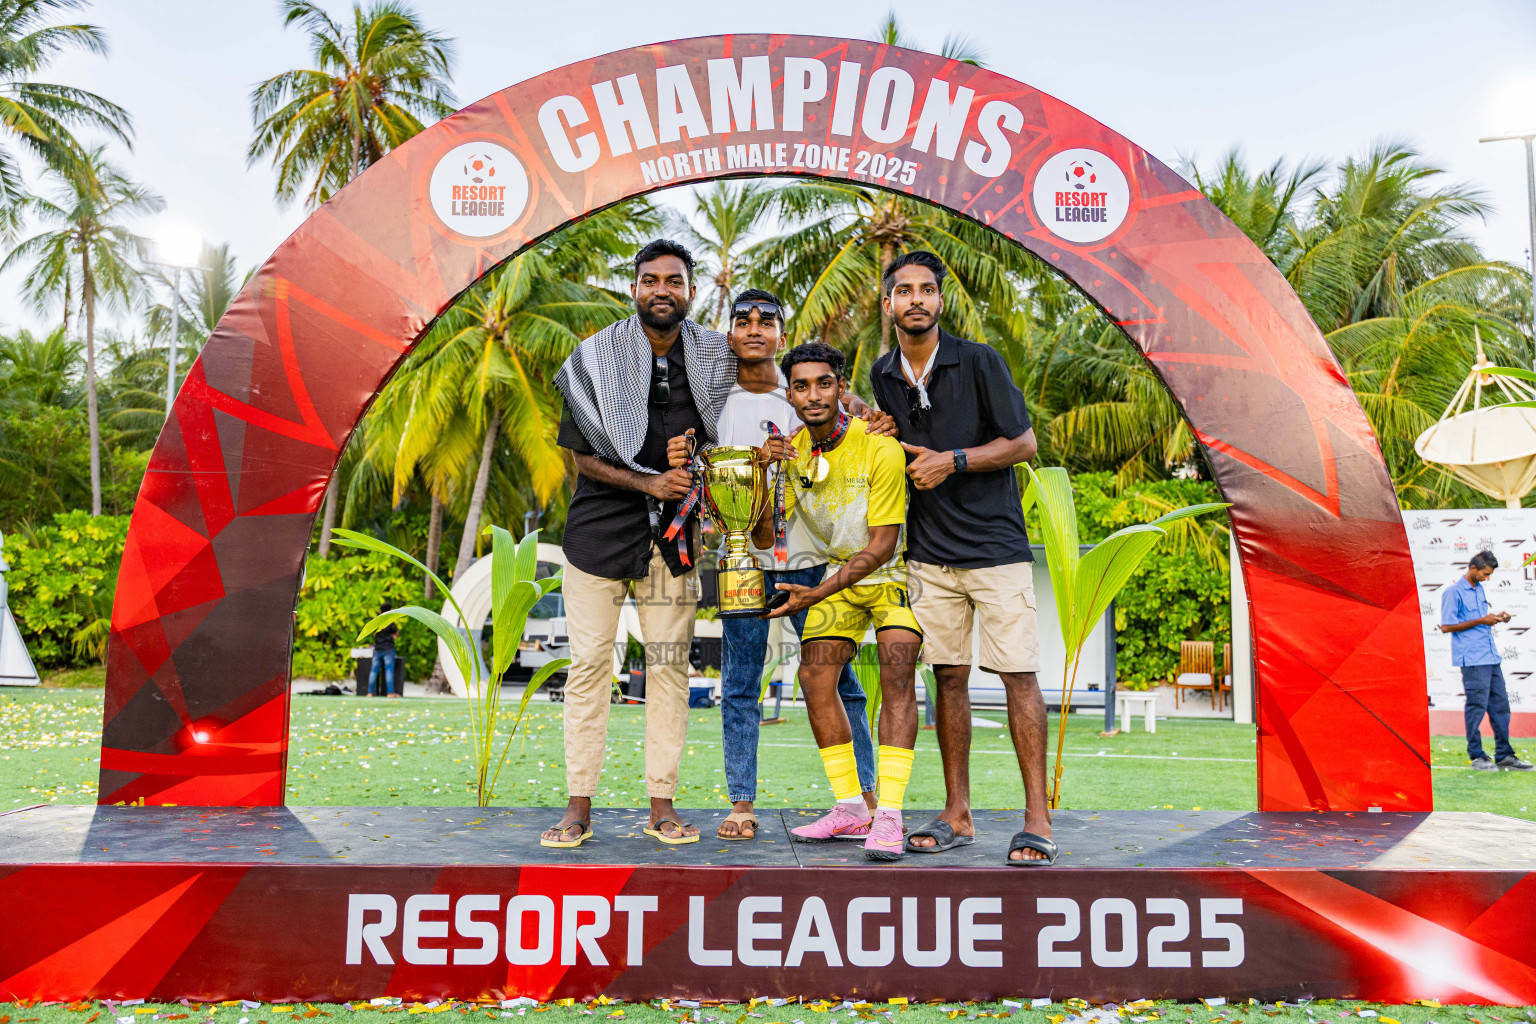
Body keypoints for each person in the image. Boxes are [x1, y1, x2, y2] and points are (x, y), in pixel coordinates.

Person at [666, 289, 881, 842]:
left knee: (843, 681)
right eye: (743, 321)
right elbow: (700, 479)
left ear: (782, 335)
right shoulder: (713, 405)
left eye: (767, 322)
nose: (755, 329)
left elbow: (858, 445)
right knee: (739, 683)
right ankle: (741, 803)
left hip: (814, 565)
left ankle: (866, 798)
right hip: (740, 561)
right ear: (730, 333)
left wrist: (870, 421)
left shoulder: (810, 397)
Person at [547, 238, 736, 849]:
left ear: (691, 290)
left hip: (673, 542)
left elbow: (747, 420)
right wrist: (649, 481)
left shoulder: (712, 359)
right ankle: (579, 807)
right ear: (635, 288)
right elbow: (581, 456)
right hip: (598, 536)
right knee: (589, 669)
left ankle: (662, 805)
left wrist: (695, 467)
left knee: (668, 670)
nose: (662, 290)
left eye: (674, 281)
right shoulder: (596, 357)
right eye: (651, 279)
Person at [867, 250, 1053, 866]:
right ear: (888, 302)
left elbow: (1023, 442)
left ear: (940, 300)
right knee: (949, 678)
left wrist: (956, 460)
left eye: (927, 290)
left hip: (995, 548)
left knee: (1018, 676)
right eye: (904, 290)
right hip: (930, 554)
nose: (915, 299)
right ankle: (958, 813)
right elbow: (898, 446)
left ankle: (1037, 819)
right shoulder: (883, 374)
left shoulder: (978, 360)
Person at [752, 342, 923, 862]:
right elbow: (761, 538)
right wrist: (763, 474)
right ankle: (851, 809)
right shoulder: (795, 453)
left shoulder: (879, 445)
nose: (813, 395)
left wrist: (815, 593)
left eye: (823, 383)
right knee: (814, 676)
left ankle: (888, 814)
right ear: (788, 394)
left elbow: (882, 544)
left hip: (893, 573)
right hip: (838, 578)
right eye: (801, 386)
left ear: (840, 386)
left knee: (896, 666)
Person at [1439, 550, 1533, 771]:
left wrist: (1498, 618)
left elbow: (1481, 622)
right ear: (1473, 569)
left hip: (1490, 656)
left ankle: (1505, 755)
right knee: (1477, 707)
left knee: (1501, 706)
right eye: (1485, 573)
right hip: (1472, 659)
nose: (1487, 578)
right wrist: (1483, 619)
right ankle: (1477, 756)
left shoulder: (1479, 590)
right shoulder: (1453, 592)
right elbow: (1446, 626)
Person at [367, 602, 399, 697]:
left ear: (380, 610)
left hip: (378, 648)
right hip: (388, 649)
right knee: (389, 670)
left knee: (374, 671)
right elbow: (396, 633)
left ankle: (370, 692)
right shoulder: (390, 621)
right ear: (390, 610)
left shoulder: (376, 621)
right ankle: (390, 693)